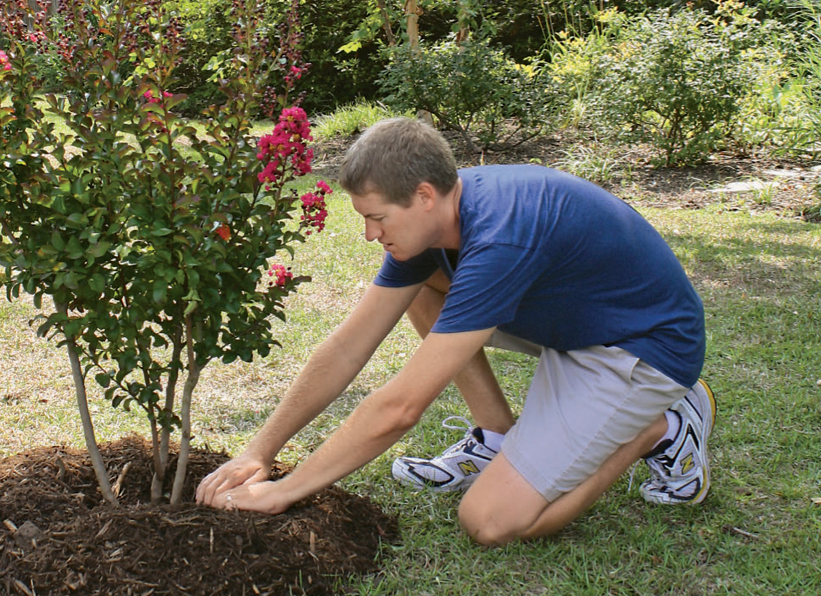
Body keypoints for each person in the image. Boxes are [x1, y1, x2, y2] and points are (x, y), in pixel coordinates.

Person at [196, 117, 714, 545]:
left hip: (641, 348)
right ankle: (495, 435)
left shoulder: (501, 238)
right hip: (576, 320)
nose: (370, 234)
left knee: (489, 522)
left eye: (377, 218)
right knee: (422, 286)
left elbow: (400, 408)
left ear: (424, 194)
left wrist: (289, 489)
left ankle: (657, 428)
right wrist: (258, 452)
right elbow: (348, 346)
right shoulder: (436, 225)